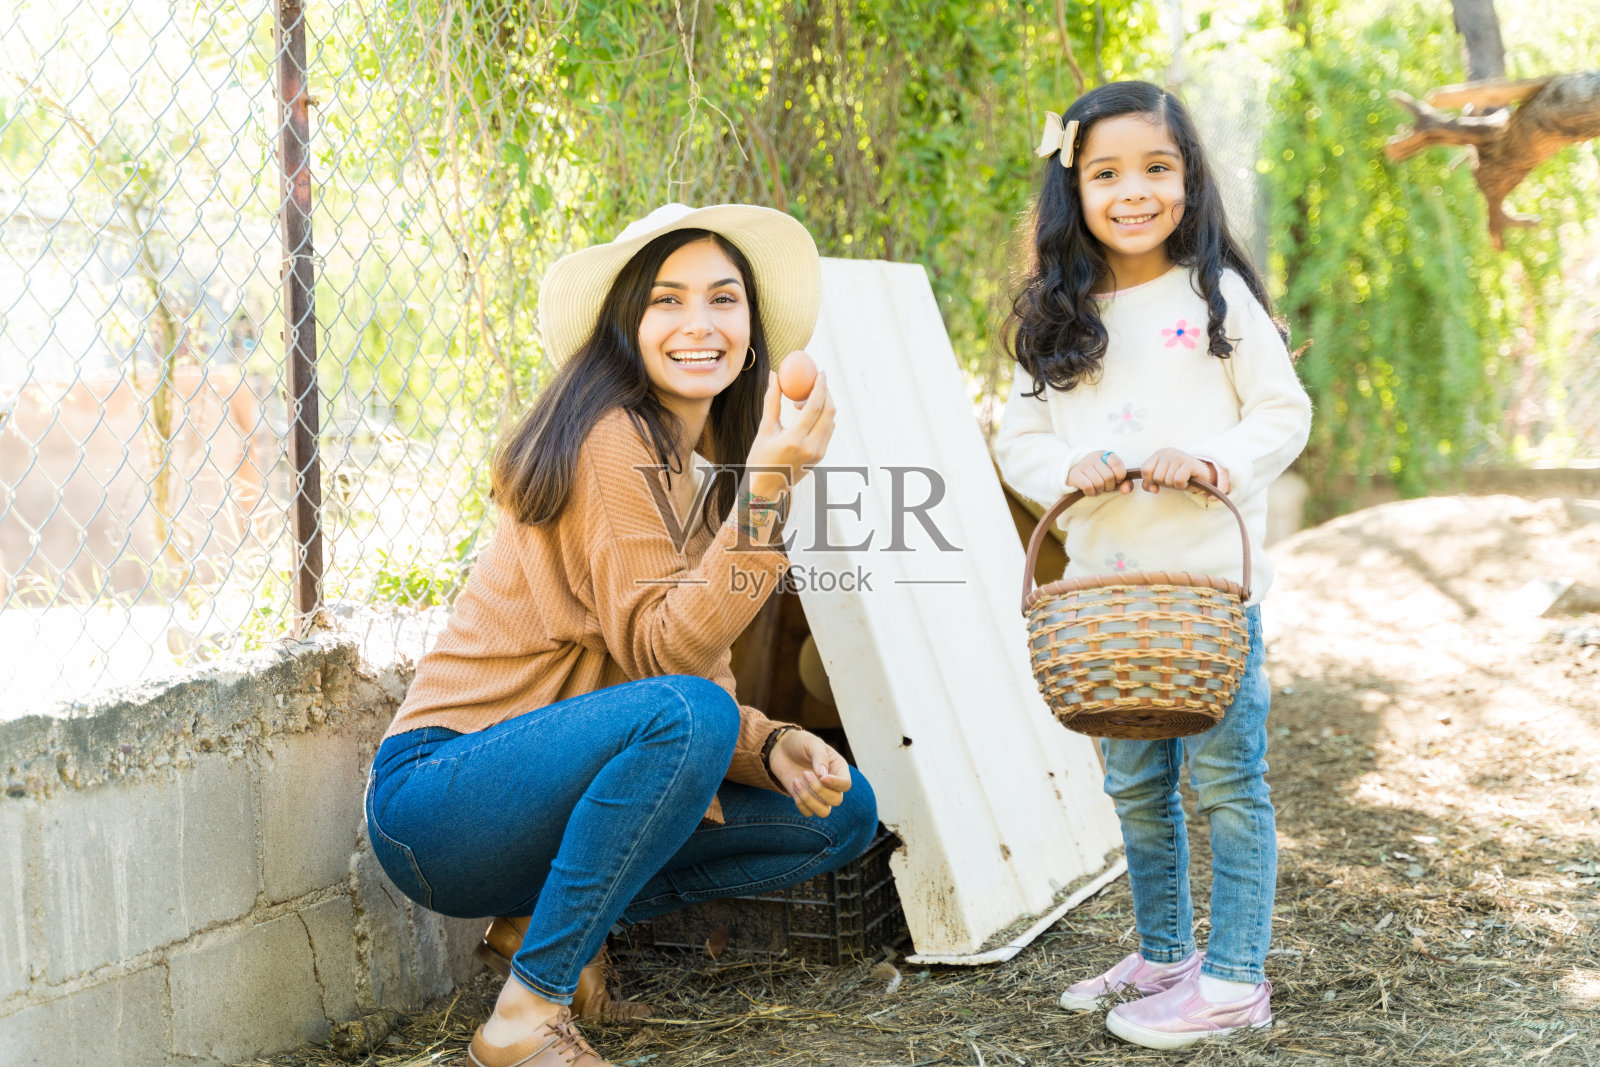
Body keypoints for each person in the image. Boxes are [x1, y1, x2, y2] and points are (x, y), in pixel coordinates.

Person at [365, 203, 880, 1067]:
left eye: (723, 299)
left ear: (752, 331)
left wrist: (777, 744)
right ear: (626, 324)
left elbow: (695, 685)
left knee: (839, 814)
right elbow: (667, 662)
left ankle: (540, 923)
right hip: (442, 796)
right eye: (666, 301)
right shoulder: (610, 438)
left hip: (529, 805)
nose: (698, 324)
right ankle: (525, 1015)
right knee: (685, 716)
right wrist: (770, 485)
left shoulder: (683, 473)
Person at [995, 81, 1312, 1050]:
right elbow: (1018, 431)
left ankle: (1232, 978)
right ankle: (1165, 949)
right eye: (1106, 173)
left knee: (1225, 783)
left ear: (1188, 179)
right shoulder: (1058, 314)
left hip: (1208, 594)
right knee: (1134, 785)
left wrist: (1217, 461)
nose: (1133, 191)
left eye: (1156, 168)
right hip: (1103, 601)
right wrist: (1066, 468)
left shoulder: (1215, 300)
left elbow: (1281, 412)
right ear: (1072, 188)